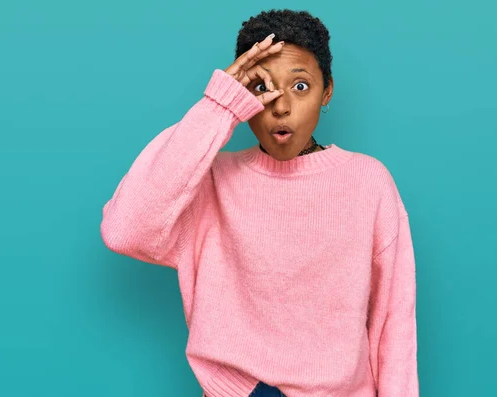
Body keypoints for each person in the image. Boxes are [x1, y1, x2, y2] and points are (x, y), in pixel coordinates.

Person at [100, 8, 420, 397]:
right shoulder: (212, 180)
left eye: (300, 86)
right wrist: (219, 106)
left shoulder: (368, 182)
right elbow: (124, 230)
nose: (280, 107)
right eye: (260, 89)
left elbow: (394, 323)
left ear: (327, 91)